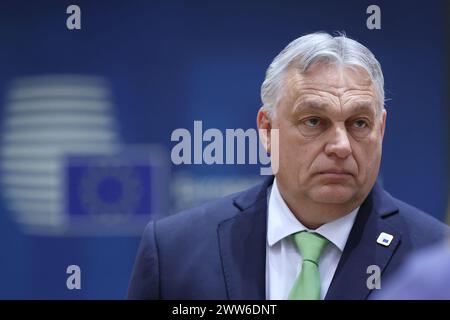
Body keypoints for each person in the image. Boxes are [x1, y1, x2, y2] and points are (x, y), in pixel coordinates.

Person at [127, 32, 449, 300]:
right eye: (314, 121)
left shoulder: (436, 261)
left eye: (359, 123)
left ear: (381, 130)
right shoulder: (175, 251)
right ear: (267, 131)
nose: (340, 145)